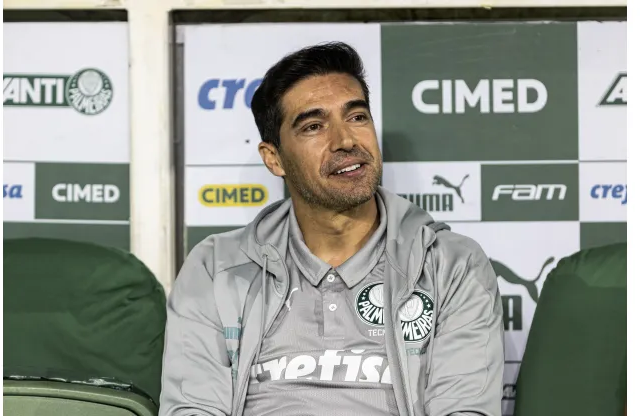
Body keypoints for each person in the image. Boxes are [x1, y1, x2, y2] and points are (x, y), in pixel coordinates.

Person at [160, 41, 504, 416]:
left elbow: (466, 408)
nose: (345, 141)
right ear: (274, 158)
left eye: (357, 117)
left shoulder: (451, 264)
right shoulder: (216, 268)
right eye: (313, 126)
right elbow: (192, 408)